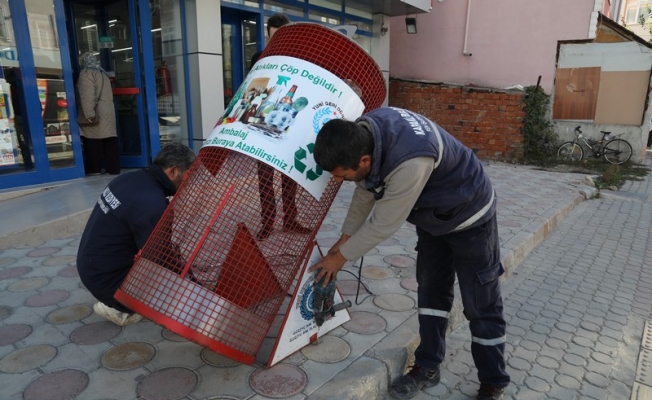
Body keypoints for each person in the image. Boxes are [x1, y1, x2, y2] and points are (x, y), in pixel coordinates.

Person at [310, 107, 510, 400]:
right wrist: (342, 241)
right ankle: (428, 366)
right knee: (431, 293)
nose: (338, 180)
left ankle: (493, 382)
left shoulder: (410, 163)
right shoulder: (367, 134)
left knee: (481, 304)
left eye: (342, 174)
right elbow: (364, 188)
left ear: (363, 160)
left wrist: (340, 257)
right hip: (434, 218)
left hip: (470, 216)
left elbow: (384, 224)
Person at [76, 142, 196, 326]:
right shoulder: (151, 203)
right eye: (189, 176)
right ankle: (120, 307)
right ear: (173, 171)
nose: (189, 184)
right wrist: (188, 282)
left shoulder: (129, 179)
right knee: (172, 289)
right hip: (109, 283)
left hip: (92, 269)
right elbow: (160, 259)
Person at [250, 13, 310, 240]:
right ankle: (268, 221)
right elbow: (254, 89)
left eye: (281, 37)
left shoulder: (301, 60)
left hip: (289, 123)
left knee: (289, 176)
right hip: (263, 123)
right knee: (264, 177)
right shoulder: (260, 57)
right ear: (267, 36)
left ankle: (290, 219)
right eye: (273, 37)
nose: (276, 42)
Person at [76, 52, 120, 175]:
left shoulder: (86, 74)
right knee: (109, 139)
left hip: (96, 112)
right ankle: (113, 168)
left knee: (92, 140)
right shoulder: (102, 73)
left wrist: (89, 114)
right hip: (107, 111)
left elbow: (87, 95)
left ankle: (94, 168)